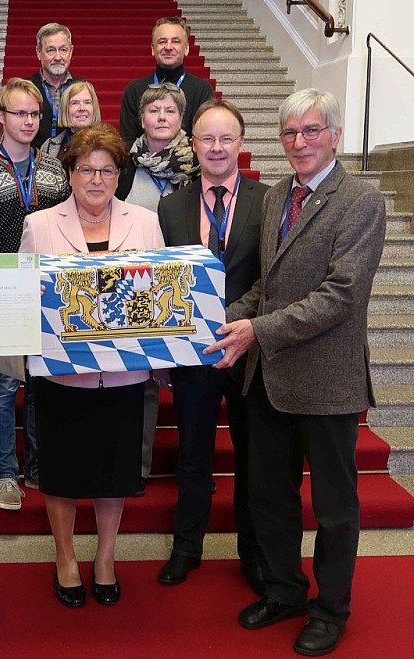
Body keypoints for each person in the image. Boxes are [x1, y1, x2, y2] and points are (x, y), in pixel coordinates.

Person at [204, 88, 386, 656]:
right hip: (269, 379)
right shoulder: (277, 195)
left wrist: (257, 330)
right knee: (269, 496)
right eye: (289, 132)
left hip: (327, 382)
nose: (300, 142)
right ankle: (284, 590)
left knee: (334, 507)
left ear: (334, 136)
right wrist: (213, 320)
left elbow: (341, 295)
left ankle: (330, 609)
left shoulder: (360, 201)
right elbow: (268, 285)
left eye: (311, 131)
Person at [20, 123, 165, 608]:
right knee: (61, 472)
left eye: (106, 170)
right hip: (62, 375)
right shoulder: (40, 224)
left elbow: (159, 294)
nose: (96, 179)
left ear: (119, 175)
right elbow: (23, 299)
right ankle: (65, 558)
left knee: (114, 472)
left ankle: (105, 557)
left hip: (124, 375)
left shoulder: (145, 221)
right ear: (70, 174)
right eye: (86, 169)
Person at [155, 99, 268, 591]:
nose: (216, 147)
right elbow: (163, 282)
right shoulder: (172, 205)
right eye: (207, 138)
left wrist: (239, 321)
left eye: (226, 138)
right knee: (193, 456)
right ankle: (186, 548)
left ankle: (254, 555)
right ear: (193, 144)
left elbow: (271, 276)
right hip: (193, 355)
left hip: (251, 352)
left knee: (252, 458)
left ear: (241, 143)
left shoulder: (269, 200)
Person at [0, 78, 70, 511]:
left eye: (34, 114)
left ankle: (39, 466)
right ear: (1, 117)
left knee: (43, 383)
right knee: (5, 386)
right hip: (3, 291)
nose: (28, 121)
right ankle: (6, 473)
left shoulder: (55, 169)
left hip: (47, 292)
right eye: (19, 113)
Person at [116, 81, 199, 495]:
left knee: (189, 385)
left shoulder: (198, 165)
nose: (162, 117)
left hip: (183, 285)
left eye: (170, 110)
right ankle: (136, 467)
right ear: (142, 118)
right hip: (133, 284)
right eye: (154, 110)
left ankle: (193, 467)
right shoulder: (124, 164)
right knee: (140, 379)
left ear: (182, 119)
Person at [119, 16, 214, 147]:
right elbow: (127, 143)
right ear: (153, 48)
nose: (168, 47)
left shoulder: (202, 90)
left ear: (186, 48)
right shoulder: (134, 90)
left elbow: (206, 140)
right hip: (143, 160)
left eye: (175, 41)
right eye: (162, 41)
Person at [27, 23, 85, 148]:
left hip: (74, 155)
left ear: (71, 52)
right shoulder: (24, 89)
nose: (58, 57)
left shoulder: (83, 89)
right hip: (33, 156)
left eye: (63, 50)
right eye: (51, 50)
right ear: (38, 52)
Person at [40, 81, 101, 161]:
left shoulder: (108, 143)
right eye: (75, 103)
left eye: (87, 102)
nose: (82, 108)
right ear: (65, 109)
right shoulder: (49, 146)